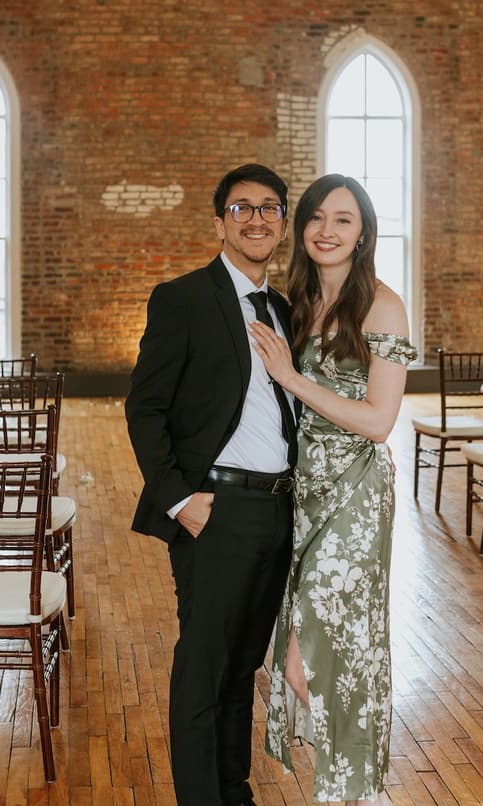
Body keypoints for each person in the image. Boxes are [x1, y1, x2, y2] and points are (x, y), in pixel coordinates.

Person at [125, 163, 300, 806]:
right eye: (241, 208)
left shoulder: (283, 309)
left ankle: (235, 792)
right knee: (202, 673)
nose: (257, 218)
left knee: (241, 669)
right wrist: (180, 500)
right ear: (220, 220)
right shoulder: (185, 298)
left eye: (269, 208)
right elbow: (144, 408)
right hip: (215, 510)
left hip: (277, 511)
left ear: (282, 222)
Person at [249, 174, 417, 805]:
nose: (327, 230)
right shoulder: (294, 300)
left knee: (320, 650)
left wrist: (291, 378)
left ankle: (353, 789)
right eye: (317, 218)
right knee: (313, 647)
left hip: (355, 493)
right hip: (303, 489)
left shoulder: (383, 304)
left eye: (343, 220)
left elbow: (379, 421)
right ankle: (349, 784)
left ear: (364, 232)